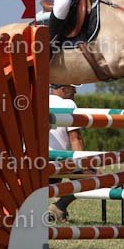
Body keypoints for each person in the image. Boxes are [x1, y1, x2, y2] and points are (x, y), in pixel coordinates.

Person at [48, 84, 87, 222]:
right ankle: (59, 207)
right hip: (56, 164)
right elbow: (75, 138)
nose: (75, 92)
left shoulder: (36, 100)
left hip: (31, 163)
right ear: (63, 89)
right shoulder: (68, 104)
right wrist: (85, 165)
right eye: (73, 89)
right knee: (92, 179)